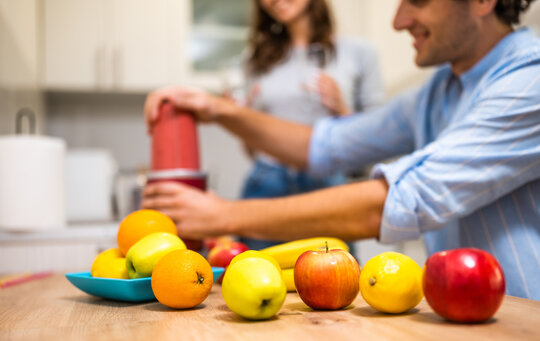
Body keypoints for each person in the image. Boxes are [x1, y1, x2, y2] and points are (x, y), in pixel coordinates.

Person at [143, 0, 540, 300]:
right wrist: (220, 110)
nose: (398, 21)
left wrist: (223, 214)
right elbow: (326, 144)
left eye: (417, 0)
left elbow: (398, 200)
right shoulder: (438, 90)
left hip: (524, 325)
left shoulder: (529, 81)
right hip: (462, 317)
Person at [236, 0, 384, 249]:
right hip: (266, 182)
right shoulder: (254, 59)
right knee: (254, 276)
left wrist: (342, 109)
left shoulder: (359, 52)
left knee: (339, 279)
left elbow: (380, 138)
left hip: (327, 186)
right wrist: (241, 121)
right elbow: (251, 151)